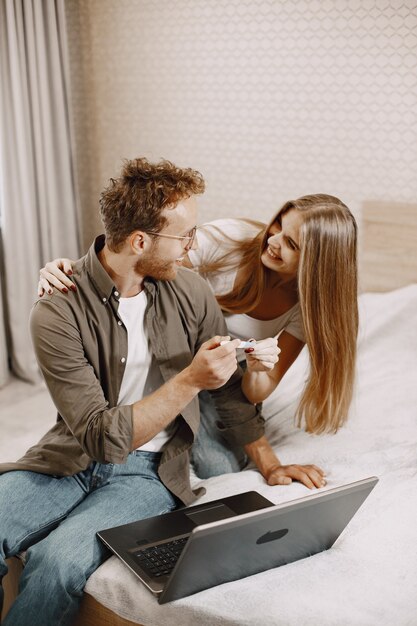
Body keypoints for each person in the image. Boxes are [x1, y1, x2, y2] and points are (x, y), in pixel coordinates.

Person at [1, 157, 327, 626]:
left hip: (149, 472)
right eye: (186, 236)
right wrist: (190, 379)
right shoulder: (57, 310)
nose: (193, 247)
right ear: (139, 241)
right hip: (70, 457)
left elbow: (232, 396)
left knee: (59, 561)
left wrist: (271, 466)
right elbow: (99, 438)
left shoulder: (191, 291)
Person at [39, 193, 358, 486]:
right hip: (170, 356)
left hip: (223, 380)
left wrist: (259, 370)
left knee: (220, 469)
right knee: (119, 433)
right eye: (278, 226)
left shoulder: (305, 309)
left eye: (292, 244)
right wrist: (78, 273)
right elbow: (146, 269)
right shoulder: (230, 239)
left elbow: (257, 389)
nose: (273, 240)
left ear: (318, 263)